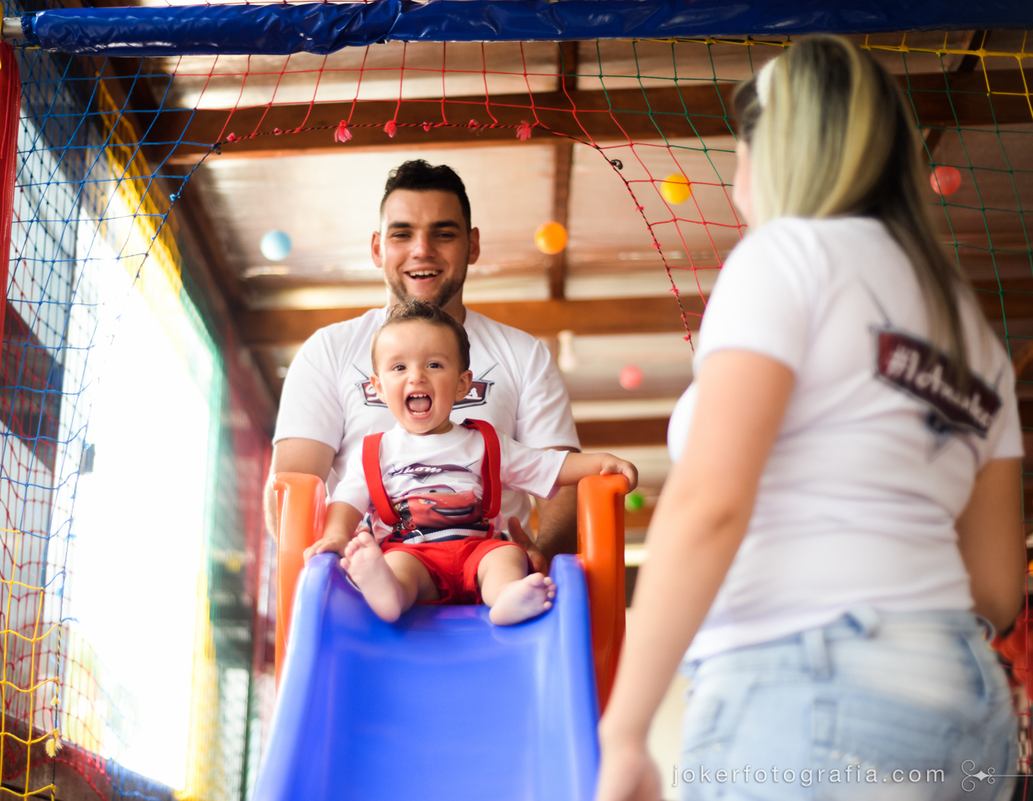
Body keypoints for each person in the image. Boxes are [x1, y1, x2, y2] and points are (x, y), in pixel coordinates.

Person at [596, 36, 1025, 801]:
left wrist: (623, 730)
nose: (734, 188)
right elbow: (995, 587)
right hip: (966, 705)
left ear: (780, 154)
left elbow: (710, 502)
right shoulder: (970, 327)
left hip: (810, 686)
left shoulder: (786, 256)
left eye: (739, 160)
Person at [268, 160, 582, 567]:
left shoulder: (524, 354)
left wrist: (544, 555)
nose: (422, 249)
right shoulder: (328, 350)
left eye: (443, 233)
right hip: (364, 586)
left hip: (489, 584)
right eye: (403, 234)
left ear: (472, 245)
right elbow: (293, 487)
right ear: (378, 248)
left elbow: (563, 481)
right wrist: (327, 572)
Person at [303, 300, 636, 625]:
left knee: (506, 556)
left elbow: (548, 466)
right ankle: (389, 593)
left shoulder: (485, 443)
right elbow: (346, 500)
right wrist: (335, 536)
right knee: (398, 567)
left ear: (463, 384)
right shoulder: (373, 452)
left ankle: (506, 597)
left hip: (478, 549)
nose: (416, 377)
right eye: (399, 367)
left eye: (434, 365)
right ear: (377, 387)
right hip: (412, 552)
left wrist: (600, 462)